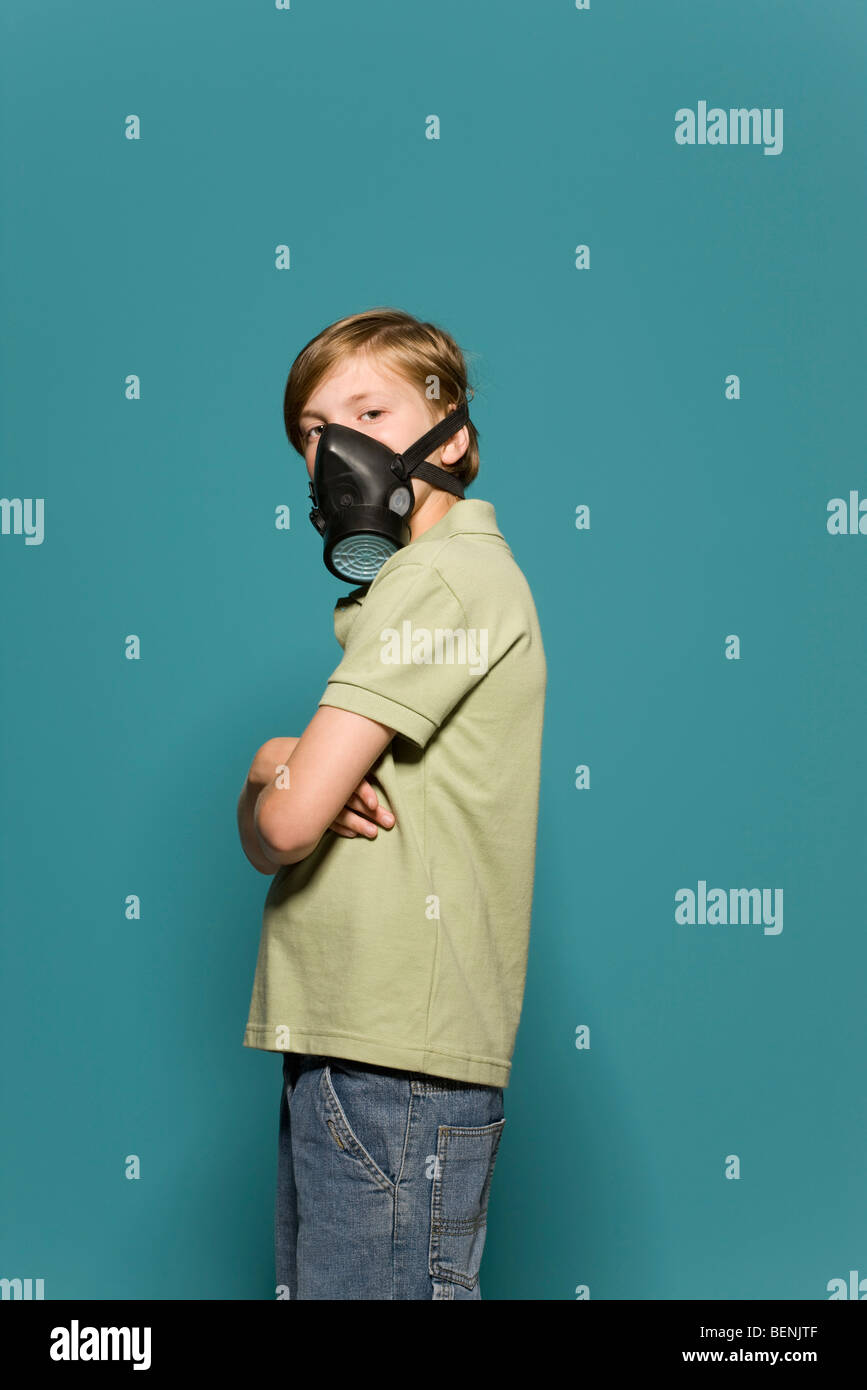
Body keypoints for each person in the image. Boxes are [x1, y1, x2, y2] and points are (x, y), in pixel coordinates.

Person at [236, 306, 546, 1299]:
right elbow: (271, 828)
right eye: (317, 436)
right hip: (351, 1041)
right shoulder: (415, 587)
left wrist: (275, 783)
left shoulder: (445, 584)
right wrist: (268, 761)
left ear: (451, 432)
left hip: (392, 1058)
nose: (343, 450)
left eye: (369, 411)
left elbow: (285, 825)